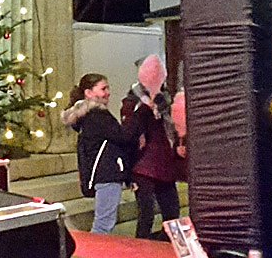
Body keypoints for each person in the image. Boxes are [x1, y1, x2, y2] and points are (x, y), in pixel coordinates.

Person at [62, 72, 151, 234]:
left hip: (105, 173)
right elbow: (124, 136)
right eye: (103, 89)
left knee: (104, 221)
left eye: (108, 88)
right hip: (107, 174)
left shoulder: (88, 116)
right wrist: (140, 112)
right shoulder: (97, 115)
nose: (108, 93)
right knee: (103, 224)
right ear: (89, 93)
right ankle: (92, 250)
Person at [121, 55, 182, 240]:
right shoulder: (132, 102)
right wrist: (147, 106)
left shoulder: (166, 100)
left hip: (164, 163)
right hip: (143, 165)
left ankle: (165, 248)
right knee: (146, 215)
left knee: (172, 213)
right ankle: (140, 250)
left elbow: (172, 128)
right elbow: (129, 133)